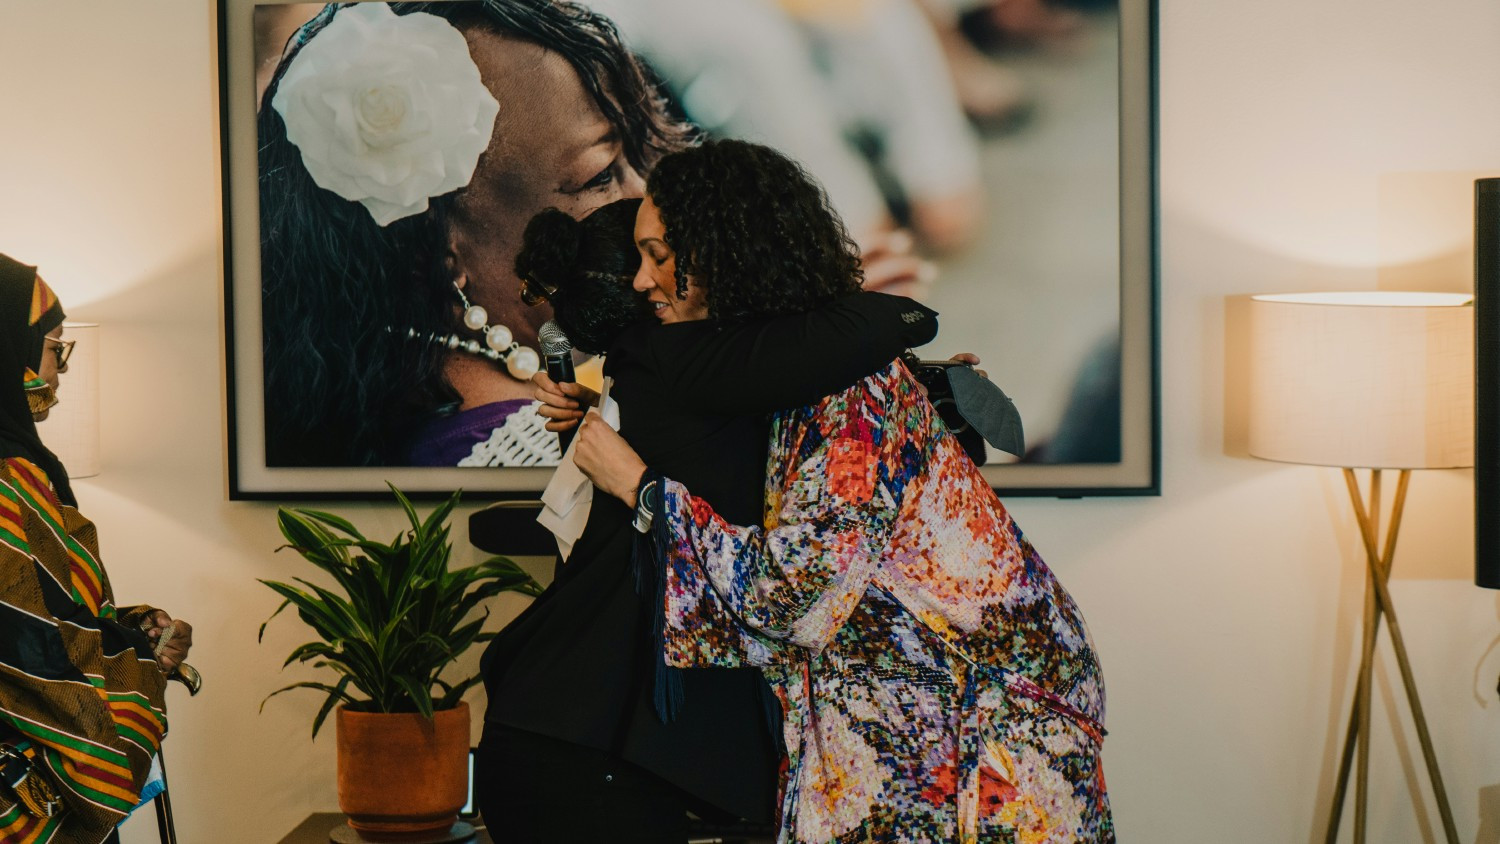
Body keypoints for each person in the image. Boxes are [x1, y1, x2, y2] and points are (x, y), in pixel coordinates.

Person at [571, 139, 1113, 842]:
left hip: (988, 718)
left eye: (660, 254)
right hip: (914, 698)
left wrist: (640, 487)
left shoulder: (849, 402)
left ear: (722, 250)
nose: (643, 281)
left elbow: (794, 592)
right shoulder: (792, 371)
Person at [478, 198, 942, 842]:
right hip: (593, 765)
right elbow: (898, 317)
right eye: (664, 261)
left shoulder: (647, 386)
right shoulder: (695, 382)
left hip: (547, 733)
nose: (659, 276)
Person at [256, 0, 691, 468]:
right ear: (438, 254)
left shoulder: (369, 418)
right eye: (600, 175)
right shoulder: (537, 458)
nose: (649, 202)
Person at [0, 254, 195, 844]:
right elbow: (33, 653)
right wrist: (142, 666)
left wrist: (128, 628)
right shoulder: (11, 481)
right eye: (55, 347)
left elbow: (36, 610)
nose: (60, 370)